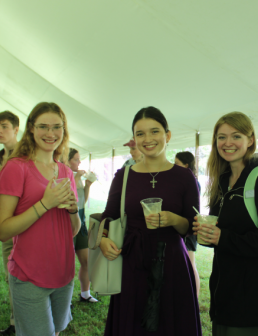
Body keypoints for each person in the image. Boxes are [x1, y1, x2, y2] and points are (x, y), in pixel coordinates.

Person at [100, 106, 201, 335]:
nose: (148, 139)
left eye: (154, 131)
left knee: (170, 324)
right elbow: (109, 216)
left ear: (167, 135)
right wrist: (104, 240)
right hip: (132, 263)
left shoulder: (184, 177)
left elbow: (190, 227)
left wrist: (174, 219)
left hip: (172, 263)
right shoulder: (124, 176)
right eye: (140, 133)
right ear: (134, 139)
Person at [193, 111, 258, 336]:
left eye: (236, 136)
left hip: (252, 296)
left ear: (250, 140)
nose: (227, 143)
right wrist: (205, 232)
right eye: (221, 137)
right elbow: (219, 232)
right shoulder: (223, 180)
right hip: (223, 290)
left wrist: (222, 237)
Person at [0, 102, 80, 336]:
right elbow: (2, 230)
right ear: (31, 129)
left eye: (57, 127)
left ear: (64, 130)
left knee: (57, 330)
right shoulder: (16, 167)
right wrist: (45, 203)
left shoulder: (66, 172)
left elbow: (73, 230)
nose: (50, 133)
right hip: (29, 274)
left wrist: (73, 210)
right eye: (43, 126)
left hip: (63, 272)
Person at [0, 110, 20, 336]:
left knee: (24, 276)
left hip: (24, 225)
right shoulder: (0, 156)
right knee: (10, 275)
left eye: (3, 127)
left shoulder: (27, 154)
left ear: (16, 128)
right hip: (5, 226)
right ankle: (14, 323)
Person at [67, 148, 98, 303]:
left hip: (81, 221)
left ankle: (85, 294)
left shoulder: (76, 176)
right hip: (68, 224)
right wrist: (75, 177)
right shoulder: (63, 176)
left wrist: (87, 185)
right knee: (67, 263)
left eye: (79, 159)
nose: (79, 163)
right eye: (76, 159)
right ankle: (64, 300)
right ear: (66, 161)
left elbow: (81, 202)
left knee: (86, 260)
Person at [174, 151, 201, 297]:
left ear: (186, 165)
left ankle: (194, 298)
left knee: (190, 264)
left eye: (177, 163)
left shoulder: (191, 181)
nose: (174, 166)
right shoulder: (187, 180)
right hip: (185, 227)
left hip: (190, 228)